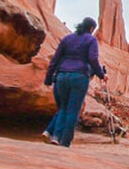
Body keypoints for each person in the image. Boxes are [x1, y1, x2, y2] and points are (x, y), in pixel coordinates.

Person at [43, 16, 108, 147]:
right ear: (91, 28)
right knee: (73, 110)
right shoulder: (91, 40)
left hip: (61, 76)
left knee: (63, 108)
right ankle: (65, 142)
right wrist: (101, 74)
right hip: (79, 77)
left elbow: (55, 59)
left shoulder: (67, 38)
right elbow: (93, 59)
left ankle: (55, 136)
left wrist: (49, 77)